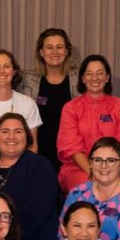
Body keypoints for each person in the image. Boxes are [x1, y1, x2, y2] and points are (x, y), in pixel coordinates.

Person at [56, 54, 120, 193]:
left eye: (100, 73)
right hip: (78, 168)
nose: (94, 78)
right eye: (89, 74)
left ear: (107, 78)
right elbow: (72, 148)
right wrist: (94, 173)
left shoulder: (119, 107)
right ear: (82, 78)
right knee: (88, 188)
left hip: (113, 168)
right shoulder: (71, 108)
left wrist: (106, 170)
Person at [61, 137, 120, 240]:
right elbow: (63, 235)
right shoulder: (76, 194)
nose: (103, 166)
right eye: (97, 160)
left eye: (111, 160)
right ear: (90, 163)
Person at [16, 28, 75, 166]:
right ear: (41, 52)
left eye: (59, 47)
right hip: (36, 152)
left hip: (71, 155)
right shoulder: (26, 79)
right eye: (49, 47)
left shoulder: (79, 79)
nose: (55, 52)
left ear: (66, 51)